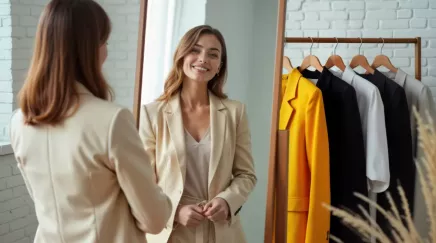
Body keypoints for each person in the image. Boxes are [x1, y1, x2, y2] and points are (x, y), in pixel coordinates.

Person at [8, 0, 172, 242]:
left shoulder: (19, 121)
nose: (106, 51)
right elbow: (154, 220)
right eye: (105, 42)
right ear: (88, 48)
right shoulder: (112, 120)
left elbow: (47, 203)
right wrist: (161, 194)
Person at [139, 25, 257, 243]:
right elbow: (144, 182)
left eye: (213, 54)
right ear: (181, 56)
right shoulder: (152, 114)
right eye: (195, 50)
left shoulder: (235, 112)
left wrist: (227, 201)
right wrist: (174, 211)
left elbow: (246, 174)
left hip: (222, 233)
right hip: (171, 234)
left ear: (220, 66)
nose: (203, 59)